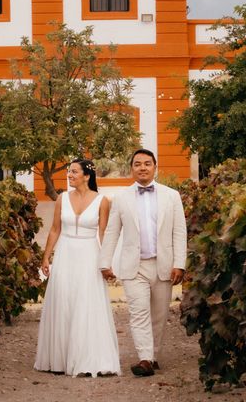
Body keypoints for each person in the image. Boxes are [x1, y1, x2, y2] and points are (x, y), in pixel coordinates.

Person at [99, 149, 187, 377]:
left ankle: (154, 355)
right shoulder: (121, 198)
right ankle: (145, 359)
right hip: (134, 266)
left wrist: (180, 263)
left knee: (159, 314)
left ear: (155, 167)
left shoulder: (172, 196)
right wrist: (105, 262)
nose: (143, 168)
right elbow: (111, 232)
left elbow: (179, 232)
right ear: (131, 169)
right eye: (137, 164)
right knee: (139, 313)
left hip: (163, 264)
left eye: (147, 163)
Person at [34, 158, 121, 377]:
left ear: (87, 176)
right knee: (63, 301)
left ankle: (88, 358)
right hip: (65, 253)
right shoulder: (62, 198)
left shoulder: (102, 201)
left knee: (86, 302)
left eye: (74, 171)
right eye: (69, 172)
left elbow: (103, 234)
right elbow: (55, 229)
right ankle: (60, 359)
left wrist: (107, 262)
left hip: (89, 255)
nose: (69, 175)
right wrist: (46, 258)